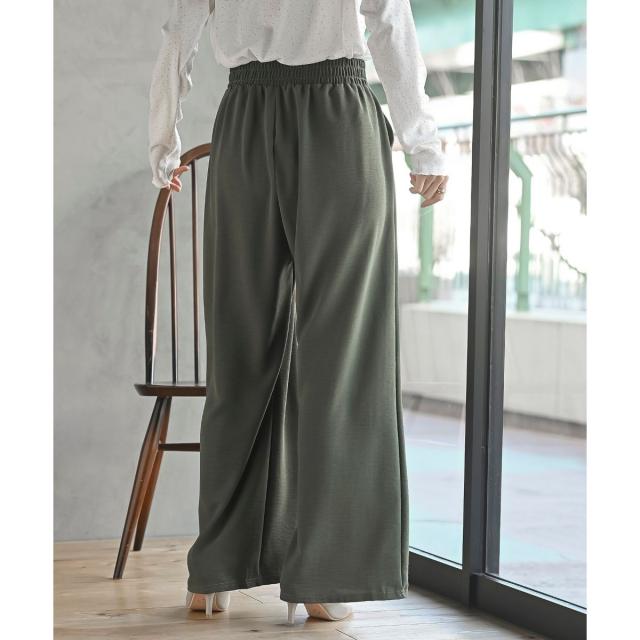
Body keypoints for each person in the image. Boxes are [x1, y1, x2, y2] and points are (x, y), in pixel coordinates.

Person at [148, 0, 448, 626]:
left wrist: (164, 143)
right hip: (337, 117)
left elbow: (178, 31)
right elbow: (389, 21)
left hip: (245, 121)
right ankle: (327, 576)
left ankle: (216, 571)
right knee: (344, 353)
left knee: (239, 350)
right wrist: (422, 145)